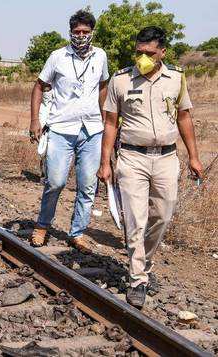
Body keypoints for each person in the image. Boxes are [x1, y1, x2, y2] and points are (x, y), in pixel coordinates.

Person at [98, 26, 203, 309]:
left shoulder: (176, 79)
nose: (142, 57)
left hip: (167, 158)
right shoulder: (120, 80)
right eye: (139, 52)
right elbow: (110, 123)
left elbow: (184, 117)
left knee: (163, 214)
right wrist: (105, 162)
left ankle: (144, 259)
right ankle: (137, 279)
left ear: (162, 53)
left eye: (149, 53)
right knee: (135, 219)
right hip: (132, 157)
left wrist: (193, 157)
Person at [28, 10, 109, 252]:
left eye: (85, 32)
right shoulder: (57, 57)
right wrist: (35, 120)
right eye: (77, 32)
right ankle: (42, 225)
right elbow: (39, 86)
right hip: (62, 127)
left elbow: (103, 86)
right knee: (55, 181)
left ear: (92, 33)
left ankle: (78, 232)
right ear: (70, 32)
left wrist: (106, 120)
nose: (81, 36)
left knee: (87, 185)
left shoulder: (101, 56)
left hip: (92, 129)